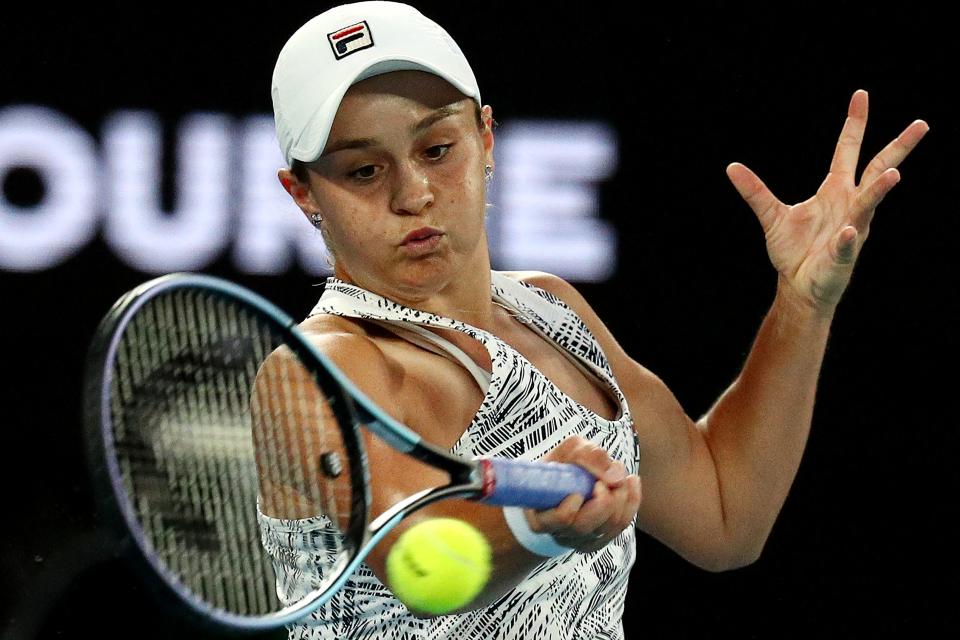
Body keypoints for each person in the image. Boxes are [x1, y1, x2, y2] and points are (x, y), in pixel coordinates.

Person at [255, 2, 929, 638]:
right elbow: (417, 561)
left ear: (486, 139)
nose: (414, 194)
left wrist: (803, 304)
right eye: (365, 170)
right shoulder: (318, 368)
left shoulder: (551, 309)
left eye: (437, 149)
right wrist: (537, 527)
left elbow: (727, 516)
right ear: (302, 192)